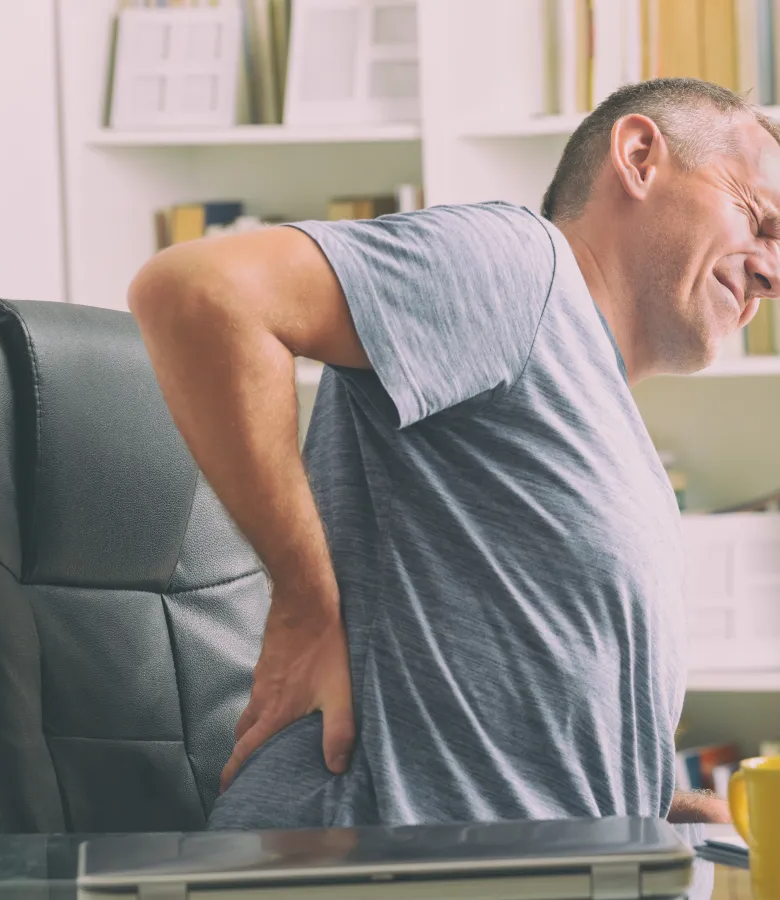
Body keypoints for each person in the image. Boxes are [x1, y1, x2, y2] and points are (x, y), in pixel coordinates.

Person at [128, 77, 779, 830]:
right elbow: (198, 291)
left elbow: (513, 735)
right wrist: (306, 605)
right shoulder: (522, 267)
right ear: (638, 156)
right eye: (759, 219)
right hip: (371, 870)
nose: (772, 268)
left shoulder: (602, 414)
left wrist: (665, 816)